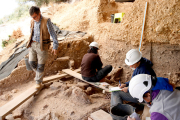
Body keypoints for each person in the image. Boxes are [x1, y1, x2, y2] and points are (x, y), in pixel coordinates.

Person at [26, 6, 59, 89]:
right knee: (31, 63)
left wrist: (55, 46)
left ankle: (38, 82)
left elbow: (53, 34)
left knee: (41, 65)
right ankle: (39, 76)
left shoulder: (46, 20)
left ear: (39, 14)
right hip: (33, 45)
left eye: (34, 17)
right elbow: (31, 33)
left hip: (42, 46)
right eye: (32, 17)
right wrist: (29, 45)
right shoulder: (32, 21)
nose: (33, 19)